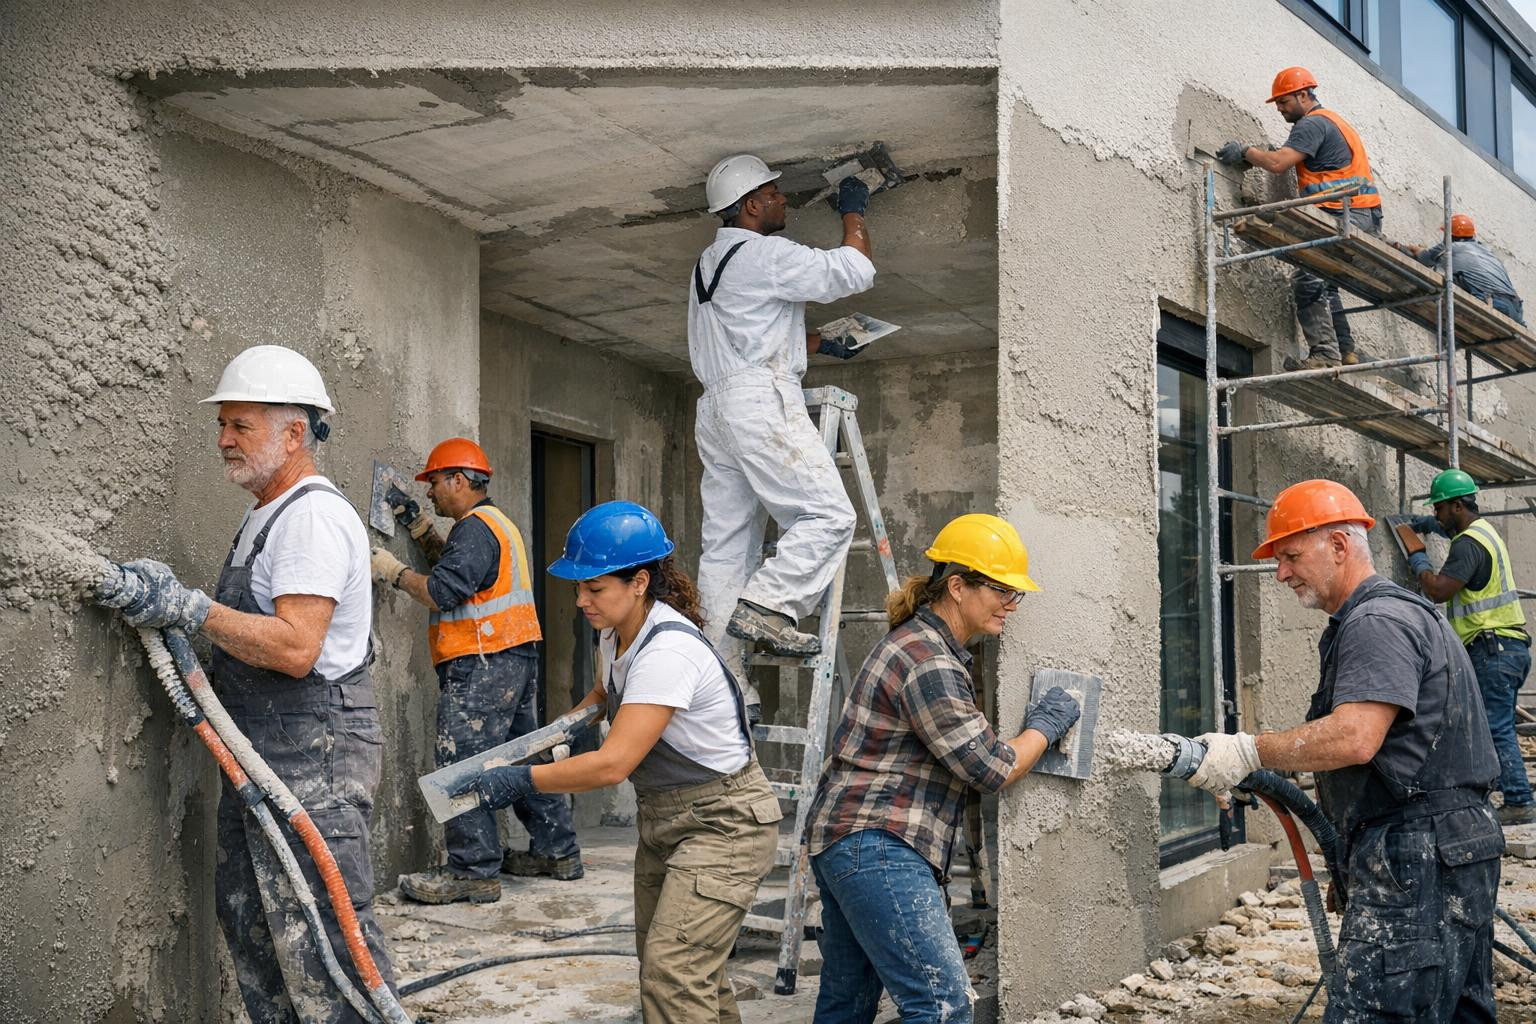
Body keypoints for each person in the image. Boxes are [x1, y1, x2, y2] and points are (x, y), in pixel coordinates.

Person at [110, 344, 396, 1023]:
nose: (223, 440)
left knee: (325, 947)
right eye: (222, 424)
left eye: (240, 426)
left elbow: (296, 648)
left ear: (294, 433)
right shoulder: (267, 513)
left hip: (314, 757)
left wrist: (189, 609)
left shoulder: (310, 517)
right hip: (266, 756)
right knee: (257, 929)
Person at [1180, 479, 1502, 1022]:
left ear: (1337, 545)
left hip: (1419, 853)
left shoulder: (1376, 622)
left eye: (1290, 556)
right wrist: (1359, 865)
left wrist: (1247, 752)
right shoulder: (1398, 614)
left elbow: (1355, 737)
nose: (1281, 573)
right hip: (1443, 851)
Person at [452, 501, 782, 1024]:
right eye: (578, 587)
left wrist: (521, 779)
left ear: (639, 582)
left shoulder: (667, 654)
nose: (581, 600)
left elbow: (612, 766)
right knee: (686, 972)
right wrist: (559, 731)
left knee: (675, 976)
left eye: (595, 588)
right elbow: (605, 694)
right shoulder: (616, 632)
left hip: (723, 824)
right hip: (667, 817)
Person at [803, 514, 1081, 1024]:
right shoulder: (928, 659)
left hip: (850, 842)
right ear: (957, 586)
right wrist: (1044, 727)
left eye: (1016, 594)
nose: (1011, 604)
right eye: (1002, 590)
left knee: (847, 1006)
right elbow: (991, 767)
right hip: (878, 843)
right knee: (941, 1004)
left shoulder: (923, 645)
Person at [689, 152, 878, 717]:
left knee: (726, 549)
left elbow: (749, 328)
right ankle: (769, 605)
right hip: (759, 402)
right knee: (829, 516)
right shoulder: (765, 253)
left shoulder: (708, 264)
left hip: (717, 409)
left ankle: (723, 683)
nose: (783, 199)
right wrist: (854, 211)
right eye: (773, 193)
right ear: (750, 206)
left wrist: (818, 344)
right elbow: (855, 270)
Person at [370, 437, 582, 905]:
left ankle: (471, 872)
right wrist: (421, 528)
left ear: (459, 481)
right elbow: (464, 575)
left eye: (434, 483)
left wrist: (392, 571)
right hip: (513, 657)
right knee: (524, 758)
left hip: (482, 662)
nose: (429, 491)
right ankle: (557, 851)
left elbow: (443, 592)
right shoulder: (494, 525)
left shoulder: (474, 529)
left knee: (462, 764)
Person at [1217, 66, 1383, 370]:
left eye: (1283, 101)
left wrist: (1245, 151)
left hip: (1347, 213)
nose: (1279, 109)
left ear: (1304, 95)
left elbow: (1278, 163)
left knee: (1307, 277)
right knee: (1325, 281)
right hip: (1363, 214)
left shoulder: (1312, 124)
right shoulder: (1333, 121)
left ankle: (1325, 354)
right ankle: (1346, 350)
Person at [1399, 468, 1534, 826]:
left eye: (1440, 509)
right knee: (1490, 725)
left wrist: (1418, 558)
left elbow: (1438, 590)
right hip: (1507, 647)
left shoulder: (1467, 544)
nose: (1437, 514)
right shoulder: (1484, 532)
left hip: (1492, 648)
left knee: (1495, 728)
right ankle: (1494, 793)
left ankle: (1520, 801)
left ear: (1458, 506)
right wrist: (1428, 524)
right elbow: (1448, 529)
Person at [1394, 213, 1525, 325]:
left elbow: (1425, 259)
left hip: (1493, 304)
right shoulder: (1487, 252)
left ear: (1449, 235)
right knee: (1457, 279)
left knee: (1446, 284)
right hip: (1516, 311)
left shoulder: (1451, 247)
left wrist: (1417, 250)